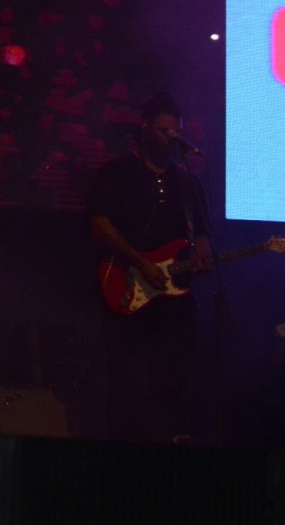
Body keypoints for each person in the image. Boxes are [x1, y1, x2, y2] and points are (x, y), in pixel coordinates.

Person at [87, 91, 212, 444]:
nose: (170, 138)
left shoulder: (187, 180)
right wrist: (141, 262)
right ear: (144, 128)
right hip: (129, 291)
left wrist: (200, 254)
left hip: (174, 305)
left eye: (176, 132)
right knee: (127, 385)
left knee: (174, 382)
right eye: (163, 130)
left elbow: (201, 234)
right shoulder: (116, 172)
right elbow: (100, 226)